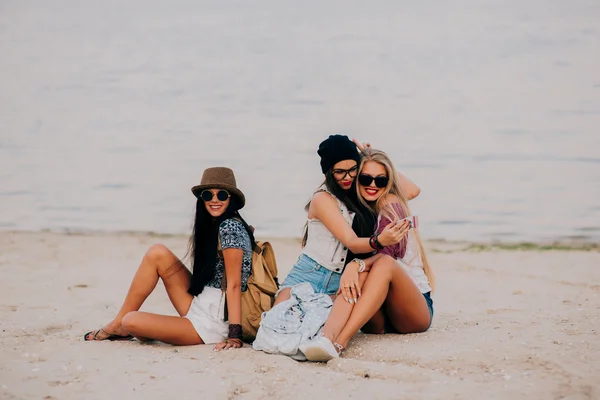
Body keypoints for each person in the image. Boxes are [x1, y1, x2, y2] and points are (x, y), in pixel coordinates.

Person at [84, 167, 254, 350]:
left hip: (213, 323)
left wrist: (234, 336)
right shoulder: (216, 224)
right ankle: (118, 325)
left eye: (221, 195)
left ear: (231, 198)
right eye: (207, 195)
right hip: (201, 304)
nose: (214, 200)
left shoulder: (230, 228)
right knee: (157, 253)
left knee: (131, 321)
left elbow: (234, 285)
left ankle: (124, 325)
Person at [300, 148, 435, 361]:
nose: (373, 185)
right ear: (356, 178)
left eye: (381, 180)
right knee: (360, 275)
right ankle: (326, 339)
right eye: (366, 178)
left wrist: (355, 265)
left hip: (413, 311)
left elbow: (390, 254)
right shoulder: (359, 208)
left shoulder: (390, 204)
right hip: (377, 316)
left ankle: (338, 342)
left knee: (379, 265)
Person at [275, 135, 418, 304]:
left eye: (353, 169)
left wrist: (370, 156)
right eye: (340, 172)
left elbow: (411, 190)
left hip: (340, 283)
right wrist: (379, 241)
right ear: (329, 172)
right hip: (310, 275)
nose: (348, 177)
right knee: (278, 323)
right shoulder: (323, 198)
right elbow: (351, 242)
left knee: (317, 325)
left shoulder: (361, 190)